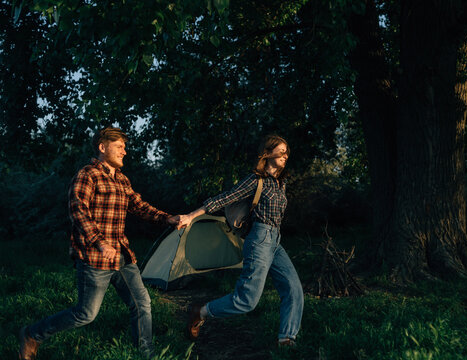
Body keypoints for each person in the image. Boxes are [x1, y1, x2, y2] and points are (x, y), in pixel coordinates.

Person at [18, 127, 180, 360]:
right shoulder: (87, 174)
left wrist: (168, 218)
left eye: (125, 147)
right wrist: (100, 243)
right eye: (119, 146)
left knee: (142, 303)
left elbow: (139, 205)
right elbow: (78, 211)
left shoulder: (122, 179)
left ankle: (146, 353)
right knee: (86, 314)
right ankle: (32, 334)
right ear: (102, 147)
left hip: (122, 256)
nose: (124, 151)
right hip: (94, 257)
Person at [178, 134, 304, 347]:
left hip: (276, 240)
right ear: (267, 153)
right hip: (260, 239)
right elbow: (224, 198)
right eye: (281, 151)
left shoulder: (281, 183)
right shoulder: (256, 180)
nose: (285, 155)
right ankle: (201, 311)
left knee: (293, 288)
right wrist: (191, 216)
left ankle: (286, 339)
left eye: (287, 152)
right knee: (247, 300)